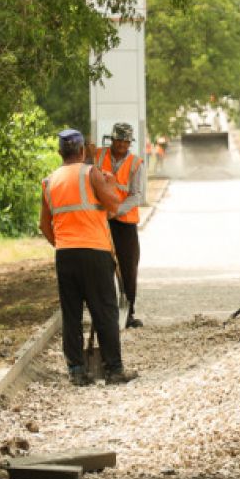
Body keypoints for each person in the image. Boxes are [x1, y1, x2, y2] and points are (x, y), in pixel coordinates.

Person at [38, 129, 138, 386]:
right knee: (105, 310)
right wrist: (108, 182)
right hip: (95, 253)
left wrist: (61, 244)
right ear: (82, 151)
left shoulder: (49, 181)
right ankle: (114, 369)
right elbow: (114, 204)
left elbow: (44, 225)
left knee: (71, 314)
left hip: (65, 255)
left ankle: (76, 370)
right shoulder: (91, 172)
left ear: (60, 152)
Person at [95, 122, 146, 328]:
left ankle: (128, 312)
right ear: (112, 140)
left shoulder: (135, 164)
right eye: (118, 141)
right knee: (101, 267)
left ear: (129, 143)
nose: (121, 145)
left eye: (125, 142)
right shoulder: (98, 156)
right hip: (100, 222)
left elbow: (137, 196)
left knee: (128, 267)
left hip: (124, 224)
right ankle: (105, 312)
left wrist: (115, 211)